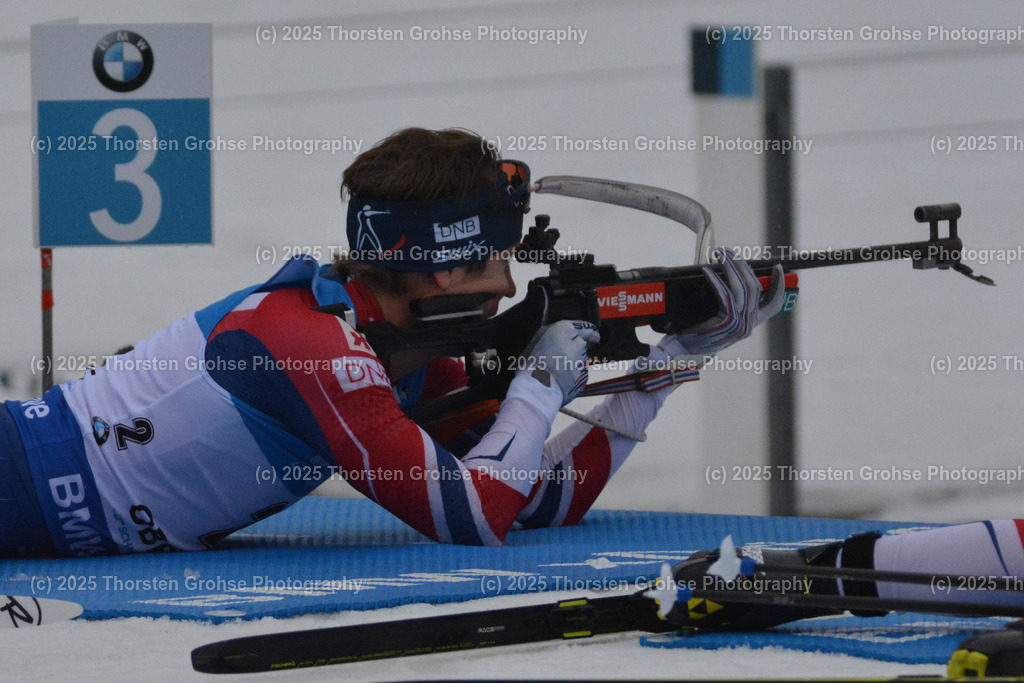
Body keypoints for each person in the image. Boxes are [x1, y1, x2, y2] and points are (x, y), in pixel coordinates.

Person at [0, 127, 784, 558]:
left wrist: (667, 363)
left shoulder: (397, 350)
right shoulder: (309, 342)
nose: (512, 288)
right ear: (446, 271)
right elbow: (473, 519)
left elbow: (539, 498)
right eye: (502, 260)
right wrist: (539, 388)